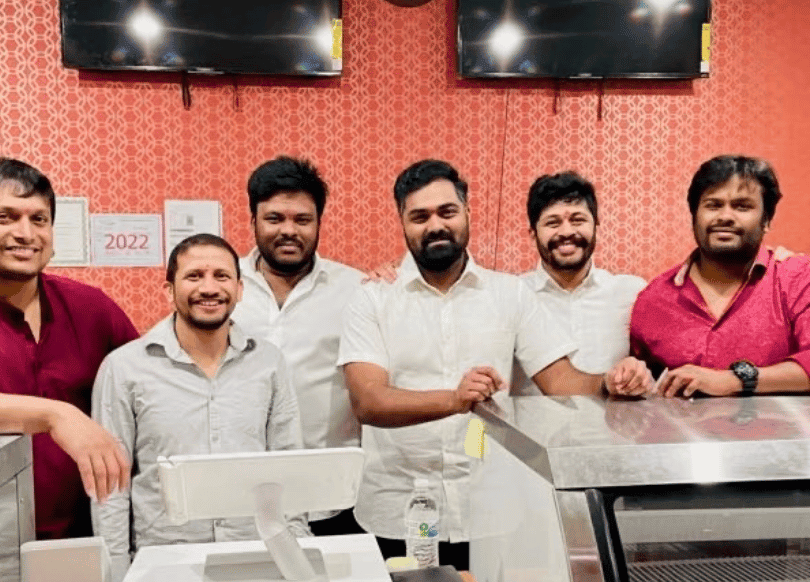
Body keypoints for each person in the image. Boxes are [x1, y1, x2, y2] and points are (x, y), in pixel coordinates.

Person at [336, 159, 646, 570]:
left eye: (447, 212)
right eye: (420, 216)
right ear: (402, 223)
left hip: (488, 510)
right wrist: (456, 399)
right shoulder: (372, 298)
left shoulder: (510, 295)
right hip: (397, 507)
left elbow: (561, 381)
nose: (435, 225)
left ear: (467, 213)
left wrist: (610, 382)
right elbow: (368, 401)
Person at [92, 234, 308, 580]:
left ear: (239, 289)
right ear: (168, 289)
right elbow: (111, 487)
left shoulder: (269, 363)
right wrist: (116, 569)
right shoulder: (124, 368)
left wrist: (298, 555)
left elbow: (287, 462)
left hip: (255, 554)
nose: (209, 288)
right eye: (194, 276)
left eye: (221, 276)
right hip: (165, 559)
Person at [0, 158, 137, 539]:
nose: (25, 233)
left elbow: (146, 379)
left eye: (39, 219)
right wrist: (55, 415)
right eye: (4, 217)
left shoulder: (91, 307)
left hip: (94, 534)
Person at [230, 156, 365, 536]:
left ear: (319, 223)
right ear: (253, 220)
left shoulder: (355, 290)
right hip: (240, 496)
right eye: (274, 218)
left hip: (332, 498)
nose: (288, 230)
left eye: (302, 220)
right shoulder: (222, 287)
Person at [614, 155, 810, 398]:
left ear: (766, 220)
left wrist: (734, 380)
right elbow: (647, 390)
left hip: (783, 435)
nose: (725, 216)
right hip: (685, 434)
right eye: (713, 205)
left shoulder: (797, 279)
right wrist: (631, 379)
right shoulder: (653, 300)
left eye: (742, 206)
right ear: (694, 216)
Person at [516, 171, 647, 394]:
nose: (566, 232)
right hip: (532, 429)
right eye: (552, 223)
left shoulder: (632, 292)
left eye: (578, 220)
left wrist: (636, 374)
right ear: (532, 233)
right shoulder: (514, 295)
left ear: (596, 224)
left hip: (612, 427)